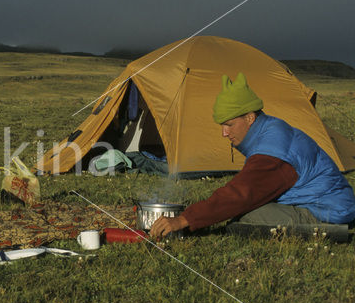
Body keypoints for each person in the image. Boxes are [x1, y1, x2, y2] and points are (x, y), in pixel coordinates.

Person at [150, 72, 355, 239]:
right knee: (242, 210)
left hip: (327, 211)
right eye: (221, 126)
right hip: (324, 202)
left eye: (229, 125)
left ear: (249, 117)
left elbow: (243, 193)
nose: (224, 133)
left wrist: (184, 220)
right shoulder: (270, 129)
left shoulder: (274, 151)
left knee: (245, 217)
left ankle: (332, 232)